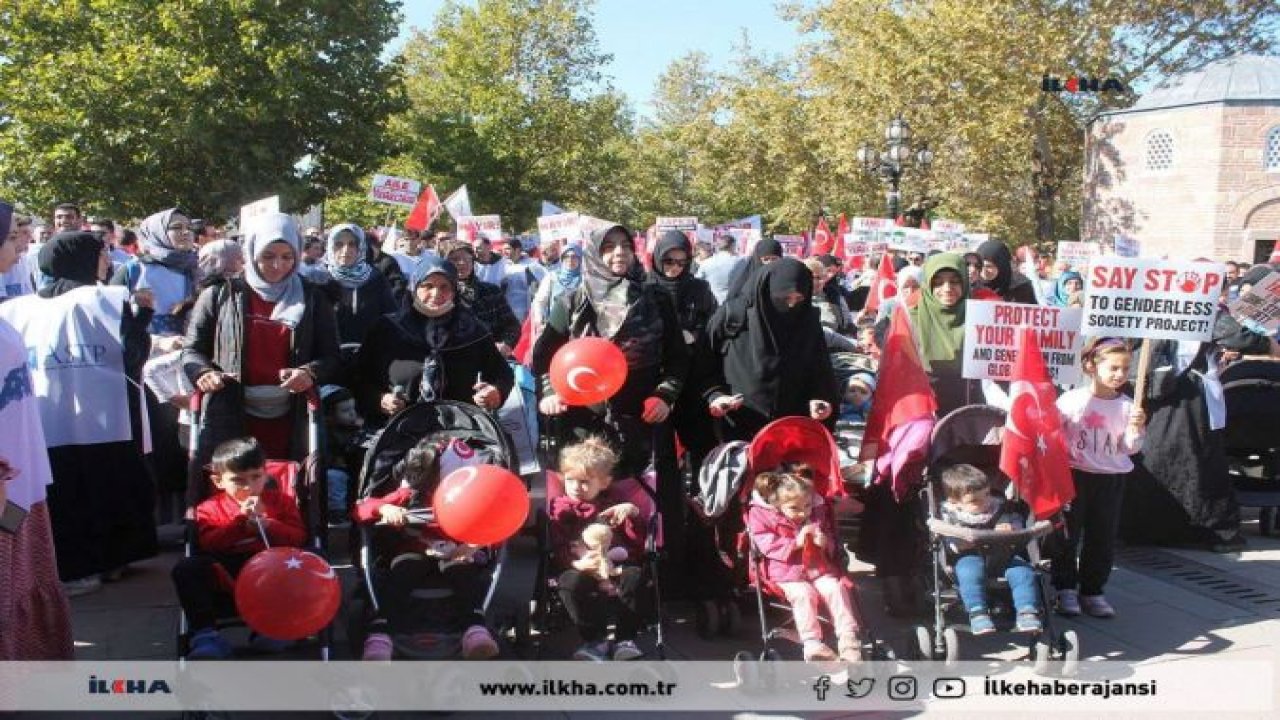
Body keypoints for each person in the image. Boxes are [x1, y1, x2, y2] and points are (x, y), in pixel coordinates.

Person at [4, 231, 157, 595]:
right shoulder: (103, 299)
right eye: (101, 255)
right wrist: (143, 318)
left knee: (64, 494)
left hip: (44, 421)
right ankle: (111, 557)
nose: (107, 262)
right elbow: (132, 356)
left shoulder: (13, 309)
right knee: (108, 486)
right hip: (105, 418)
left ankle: (74, 565)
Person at [182, 212, 342, 489]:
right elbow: (192, 350)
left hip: (293, 416)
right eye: (268, 256)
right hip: (232, 410)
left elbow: (332, 356)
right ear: (251, 253)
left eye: (286, 256)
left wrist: (310, 372)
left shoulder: (314, 298)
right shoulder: (220, 295)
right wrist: (203, 373)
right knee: (231, 491)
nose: (277, 265)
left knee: (290, 490)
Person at [532, 225, 689, 478]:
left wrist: (664, 396)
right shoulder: (572, 301)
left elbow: (677, 357)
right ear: (594, 253)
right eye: (609, 247)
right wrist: (550, 393)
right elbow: (543, 357)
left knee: (640, 502)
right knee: (589, 499)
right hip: (582, 421)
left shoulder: (656, 298)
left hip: (641, 415)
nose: (620, 253)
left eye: (626, 246)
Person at [0, 200, 73, 659]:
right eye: (10, 237)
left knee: (23, 567)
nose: (19, 245)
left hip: (19, 477)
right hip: (4, 484)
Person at [353, 437, 501, 661]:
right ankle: (380, 633)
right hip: (415, 549)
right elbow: (362, 507)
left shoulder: (473, 497)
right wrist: (384, 509)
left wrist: (473, 545)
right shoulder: (409, 495)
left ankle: (475, 629)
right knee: (403, 570)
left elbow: (499, 522)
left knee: (462, 572)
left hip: (458, 549)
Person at [172, 437, 307, 659]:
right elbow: (209, 543)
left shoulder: (281, 502)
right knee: (187, 568)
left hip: (271, 569)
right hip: (227, 569)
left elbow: (298, 537)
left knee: (307, 559)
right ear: (219, 481)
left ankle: (270, 628)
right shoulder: (209, 508)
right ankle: (206, 636)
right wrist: (240, 523)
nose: (249, 487)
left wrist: (270, 524)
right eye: (238, 480)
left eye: (256, 477)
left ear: (265, 475)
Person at [354, 255, 513, 428]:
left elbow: (502, 374)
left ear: (454, 291)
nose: (436, 293)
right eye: (427, 286)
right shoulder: (387, 330)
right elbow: (358, 377)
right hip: (395, 429)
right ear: (414, 288)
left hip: (460, 431)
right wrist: (380, 400)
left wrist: (495, 392)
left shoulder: (474, 332)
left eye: (445, 287)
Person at [644, 230, 720, 591]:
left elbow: (713, 327)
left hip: (692, 381)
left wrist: (694, 336)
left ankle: (699, 532)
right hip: (657, 384)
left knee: (701, 456)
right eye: (668, 261)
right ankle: (665, 537)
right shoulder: (646, 287)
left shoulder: (700, 290)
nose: (674, 268)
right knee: (661, 463)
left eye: (681, 261)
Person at [1053, 338, 1146, 618]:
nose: (1120, 374)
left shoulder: (1129, 406)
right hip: (1074, 476)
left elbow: (1130, 448)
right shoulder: (1071, 400)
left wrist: (1136, 428)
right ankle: (1065, 587)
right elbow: (1054, 438)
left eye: (1125, 368)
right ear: (1091, 366)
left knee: (1102, 537)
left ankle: (1092, 590)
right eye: (1113, 368)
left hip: (1110, 479)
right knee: (1067, 536)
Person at [707, 258, 839, 441]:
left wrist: (819, 399)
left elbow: (820, 369)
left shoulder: (807, 321)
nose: (792, 305)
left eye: (799, 298)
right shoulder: (733, 316)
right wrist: (715, 395)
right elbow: (704, 362)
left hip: (790, 426)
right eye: (784, 298)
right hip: (737, 422)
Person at [548, 437, 648, 661]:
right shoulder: (560, 508)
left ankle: (625, 638)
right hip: (579, 566)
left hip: (615, 563)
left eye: (584, 481)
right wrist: (577, 562)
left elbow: (635, 544)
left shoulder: (614, 504)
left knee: (636, 575)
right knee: (568, 581)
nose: (576, 487)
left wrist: (632, 515)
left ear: (603, 483)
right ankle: (595, 640)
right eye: (570, 479)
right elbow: (558, 543)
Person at [747, 470, 860, 663]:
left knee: (836, 588)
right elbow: (766, 544)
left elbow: (831, 540)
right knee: (803, 594)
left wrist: (825, 543)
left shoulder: (818, 512)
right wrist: (794, 544)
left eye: (807, 506)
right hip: (785, 573)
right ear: (777, 505)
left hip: (818, 568)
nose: (803, 512)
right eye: (794, 508)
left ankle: (848, 638)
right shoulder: (762, 516)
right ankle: (812, 643)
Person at [938, 464, 1042, 635]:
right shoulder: (950, 515)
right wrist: (968, 538)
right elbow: (952, 542)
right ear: (954, 502)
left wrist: (1010, 528)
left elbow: (1016, 523)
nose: (984, 503)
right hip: (969, 556)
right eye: (974, 501)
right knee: (968, 572)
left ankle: (1027, 611)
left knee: (1024, 572)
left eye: (987, 494)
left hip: (1003, 555)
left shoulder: (999, 508)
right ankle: (978, 612)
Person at [910, 253, 979, 415]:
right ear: (927, 284)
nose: (947, 289)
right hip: (923, 413)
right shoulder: (908, 320)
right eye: (938, 283)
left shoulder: (983, 317)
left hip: (971, 417)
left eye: (955, 282)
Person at [320, 224, 397, 346]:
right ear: (330, 246)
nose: (345, 250)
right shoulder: (319, 278)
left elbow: (391, 318)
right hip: (327, 357)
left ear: (360, 247)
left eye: (352, 244)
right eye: (339, 244)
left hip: (367, 356)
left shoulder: (375, 279)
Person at [444, 242, 521, 356]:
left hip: (490, 357)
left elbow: (512, 325)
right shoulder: (441, 295)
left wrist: (506, 344)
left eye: (467, 259)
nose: (462, 263)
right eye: (455, 259)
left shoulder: (491, 291)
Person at [529, 244, 581, 345]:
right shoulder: (552, 277)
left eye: (574, 256)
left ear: (580, 258)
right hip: (555, 327)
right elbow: (539, 301)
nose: (570, 260)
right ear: (562, 258)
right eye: (566, 256)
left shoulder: (584, 279)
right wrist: (540, 322)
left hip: (578, 329)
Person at [975, 240, 1038, 304]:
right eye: (980, 265)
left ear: (1002, 265)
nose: (984, 271)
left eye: (989, 266)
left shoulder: (1021, 286)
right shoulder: (971, 284)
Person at [694, 233, 747, 304]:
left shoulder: (706, 263)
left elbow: (697, 282)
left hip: (714, 303)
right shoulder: (742, 261)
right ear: (733, 245)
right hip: (736, 303)